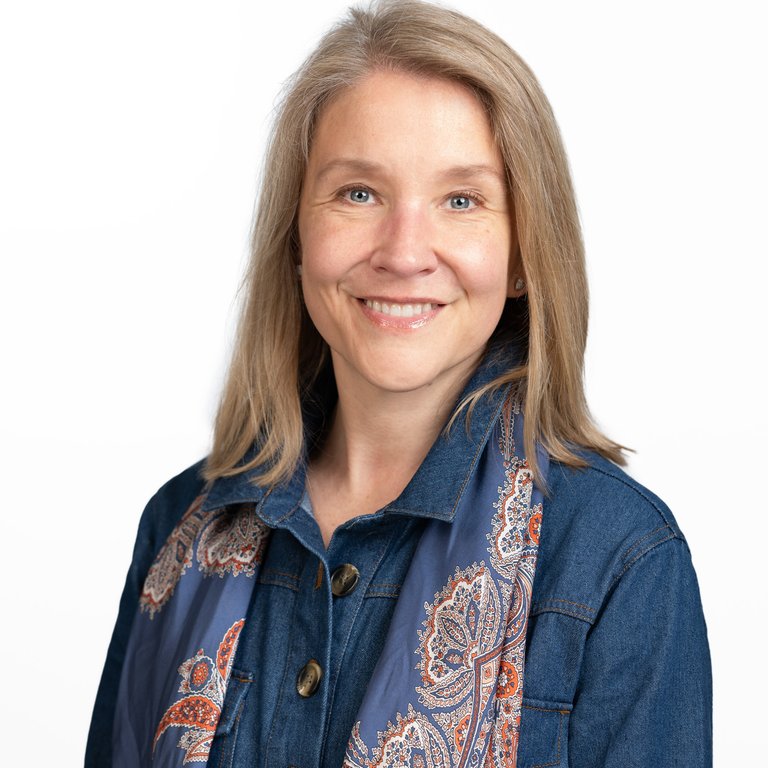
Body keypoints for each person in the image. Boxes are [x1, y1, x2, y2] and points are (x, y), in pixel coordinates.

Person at [86, 1, 712, 766]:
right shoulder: (181, 529)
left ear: (522, 256)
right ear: (298, 234)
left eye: (461, 200)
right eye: (359, 193)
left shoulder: (618, 559)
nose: (405, 251)